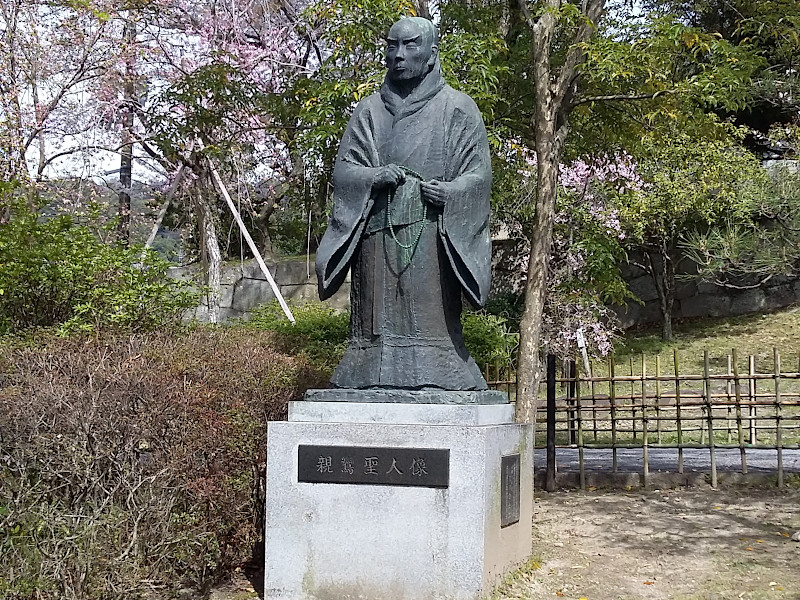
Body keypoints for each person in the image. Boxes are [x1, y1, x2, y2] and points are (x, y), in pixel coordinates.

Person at [315, 16, 492, 390]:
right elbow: (344, 172)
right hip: (375, 236)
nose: (399, 55)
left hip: (431, 237)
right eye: (392, 46)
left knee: (429, 319)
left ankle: (441, 369)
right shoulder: (368, 111)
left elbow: (479, 177)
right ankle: (365, 372)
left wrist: (452, 193)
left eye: (410, 46)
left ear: (431, 54)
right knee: (375, 322)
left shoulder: (457, 109)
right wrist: (373, 177)